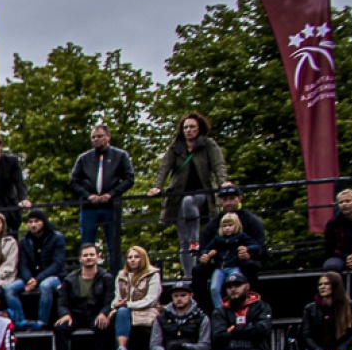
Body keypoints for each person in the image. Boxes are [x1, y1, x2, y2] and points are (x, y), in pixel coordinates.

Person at [151, 113, 226, 271]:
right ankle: (189, 276)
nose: (188, 130)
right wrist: (157, 186)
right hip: (178, 196)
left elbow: (218, 165)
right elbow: (163, 168)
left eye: (192, 127)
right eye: (185, 127)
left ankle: (195, 240)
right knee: (183, 241)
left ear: (199, 128)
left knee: (188, 201)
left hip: (202, 193)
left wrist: (223, 182)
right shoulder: (175, 147)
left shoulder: (208, 144)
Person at [69, 124, 134, 265]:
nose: (96, 139)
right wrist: (88, 196)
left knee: (113, 244)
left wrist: (112, 194)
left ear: (108, 137)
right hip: (89, 207)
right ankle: (86, 273)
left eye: (99, 136)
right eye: (93, 137)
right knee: (87, 243)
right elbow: (73, 181)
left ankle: (116, 274)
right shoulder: (84, 158)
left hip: (111, 205)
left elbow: (129, 179)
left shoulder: (120, 156)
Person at [53, 244, 114, 350]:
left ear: (97, 257)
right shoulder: (69, 279)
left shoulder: (106, 278)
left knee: (103, 326)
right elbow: (62, 301)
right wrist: (65, 314)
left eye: (92, 255)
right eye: (85, 255)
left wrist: (103, 313)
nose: (89, 258)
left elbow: (109, 300)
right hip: (76, 313)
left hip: (95, 313)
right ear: (80, 259)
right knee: (60, 328)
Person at [196, 209, 264, 307]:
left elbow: (256, 246)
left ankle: (236, 307)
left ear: (236, 225)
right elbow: (205, 249)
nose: (227, 228)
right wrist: (207, 254)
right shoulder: (217, 239)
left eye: (230, 225)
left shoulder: (241, 236)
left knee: (235, 287)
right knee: (214, 288)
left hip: (234, 266)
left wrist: (246, 248)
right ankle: (220, 309)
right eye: (225, 226)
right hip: (219, 268)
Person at [111, 245, 161, 350]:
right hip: (126, 311)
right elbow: (117, 297)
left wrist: (128, 304)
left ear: (143, 258)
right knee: (121, 313)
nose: (132, 260)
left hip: (146, 310)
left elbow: (151, 299)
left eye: (136, 257)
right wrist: (115, 305)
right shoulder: (121, 275)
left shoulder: (153, 274)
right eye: (130, 257)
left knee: (124, 312)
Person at [15, 209, 68, 329]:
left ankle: (41, 323)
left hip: (54, 277)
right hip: (30, 279)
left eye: (36, 221)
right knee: (10, 289)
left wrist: (37, 280)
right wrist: (29, 279)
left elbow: (57, 264)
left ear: (43, 222)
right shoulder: (24, 241)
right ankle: (21, 322)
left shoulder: (57, 238)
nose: (33, 225)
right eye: (30, 222)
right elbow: (22, 264)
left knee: (45, 285)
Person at [298, 273, 352, 350]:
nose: (322, 287)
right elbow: (306, 335)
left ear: (336, 286)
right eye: (320, 284)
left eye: (326, 284)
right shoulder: (310, 308)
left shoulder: (350, 306)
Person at [321, 186, 352, 271]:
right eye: (341, 202)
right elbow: (329, 247)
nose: (344, 204)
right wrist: (346, 257)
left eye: (348, 201)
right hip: (340, 256)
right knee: (331, 266)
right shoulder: (333, 223)